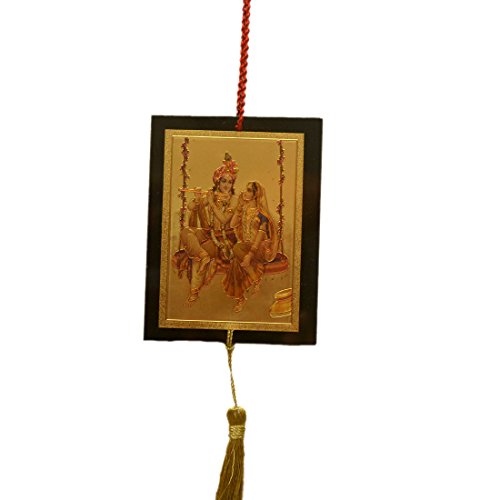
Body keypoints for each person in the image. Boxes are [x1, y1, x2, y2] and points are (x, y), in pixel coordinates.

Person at [177, 153, 239, 303]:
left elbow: (224, 219)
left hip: (223, 239)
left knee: (196, 256)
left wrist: (210, 203)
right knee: (186, 232)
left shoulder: (234, 200)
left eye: (229, 182)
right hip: (208, 233)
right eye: (223, 181)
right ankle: (203, 255)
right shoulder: (212, 195)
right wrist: (198, 199)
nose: (226, 185)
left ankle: (194, 291)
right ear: (217, 181)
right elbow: (191, 207)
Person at [222, 181, 279, 312]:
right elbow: (232, 224)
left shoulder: (261, 214)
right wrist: (239, 207)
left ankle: (251, 282)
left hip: (259, 248)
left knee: (237, 249)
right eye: (246, 189)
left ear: (255, 194)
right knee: (236, 261)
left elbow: (260, 235)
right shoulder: (244, 210)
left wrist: (250, 255)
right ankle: (245, 293)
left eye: (249, 190)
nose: (245, 192)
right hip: (245, 247)